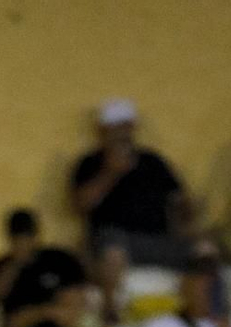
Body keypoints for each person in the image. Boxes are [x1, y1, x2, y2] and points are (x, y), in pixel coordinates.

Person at [69, 100, 193, 296]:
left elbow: (179, 200)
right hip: (115, 240)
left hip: (157, 240)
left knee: (204, 250)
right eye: (116, 128)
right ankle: (110, 314)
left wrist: (188, 210)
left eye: (126, 126)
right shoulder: (90, 162)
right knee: (113, 248)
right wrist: (110, 173)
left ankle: (205, 320)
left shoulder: (152, 161)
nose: (122, 133)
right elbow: (80, 206)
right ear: (103, 130)